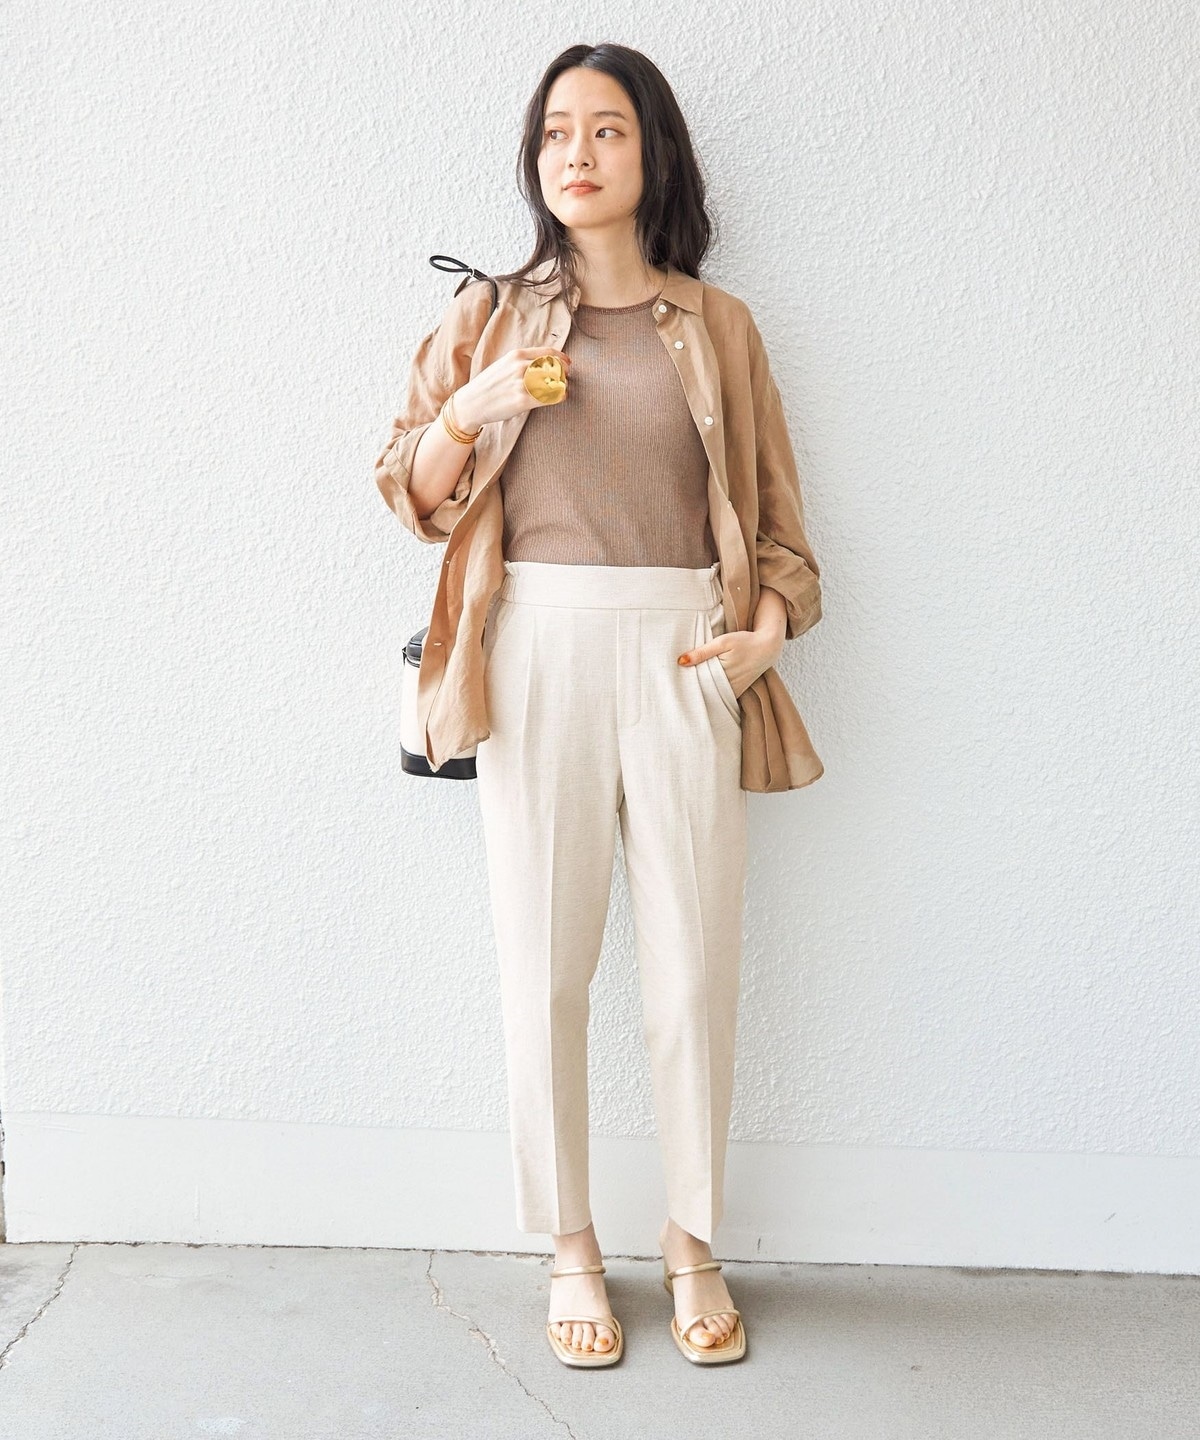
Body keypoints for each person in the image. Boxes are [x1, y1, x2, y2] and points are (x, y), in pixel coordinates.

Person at [374, 42, 824, 1368]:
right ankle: (571, 1244)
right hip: (538, 651)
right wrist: (474, 404)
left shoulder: (720, 325)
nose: (578, 153)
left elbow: (782, 529)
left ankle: (691, 1238)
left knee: (694, 969)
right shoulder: (489, 316)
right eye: (557, 131)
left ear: (653, 153)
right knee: (547, 965)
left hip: (689, 652)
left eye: (608, 129)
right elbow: (409, 488)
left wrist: (765, 632)